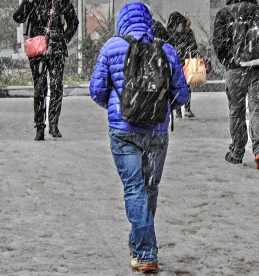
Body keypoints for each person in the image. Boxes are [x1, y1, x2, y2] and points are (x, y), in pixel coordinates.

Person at [89, 2, 188, 273]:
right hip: (156, 132)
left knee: (135, 189)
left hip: (123, 132)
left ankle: (144, 252)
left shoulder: (111, 47)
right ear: (148, 21)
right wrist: (157, 106)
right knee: (149, 189)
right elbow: (182, 96)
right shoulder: (167, 50)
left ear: (123, 21)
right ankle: (140, 248)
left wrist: (120, 106)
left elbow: (97, 90)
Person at [212, 0, 259, 170]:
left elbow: (219, 43)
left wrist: (230, 61)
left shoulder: (224, 13)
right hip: (258, 68)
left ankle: (237, 152)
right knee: (257, 112)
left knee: (236, 111)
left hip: (235, 70)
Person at [13, 0, 79, 140]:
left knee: (56, 86)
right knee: (39, 88)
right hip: (37, 51)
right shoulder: (35, 1)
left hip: (57, 51)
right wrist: (29, 2)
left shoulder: (62, 1)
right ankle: (40, 126)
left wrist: (64, 38)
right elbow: (18, 17)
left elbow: (74, 22)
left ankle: (53, 125)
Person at [166, 12, 198, 119]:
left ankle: (178, 111)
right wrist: (191, 56)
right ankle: (187, 109)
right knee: (187, 86)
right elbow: (193, 47)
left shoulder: (170, 32)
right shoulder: (187, 31)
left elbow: (167, 46)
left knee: (175, 85)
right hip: (185, 62)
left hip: (175, 62)